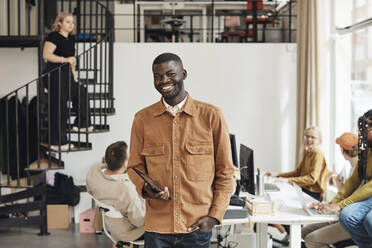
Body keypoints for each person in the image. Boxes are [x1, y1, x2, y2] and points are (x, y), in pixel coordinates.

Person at [127, 52, 234, 248]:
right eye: (157, 76)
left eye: (170, 74)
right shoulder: (142, 119)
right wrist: (146, 190)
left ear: (183, 74)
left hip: (196, 227)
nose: (164, 81)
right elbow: (134, 167)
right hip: (157, 228)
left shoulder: (211, 116)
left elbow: (226, 172)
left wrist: (215, 217)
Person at [42, 12, 92, 152]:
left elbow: (72, 62)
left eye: (73, 22)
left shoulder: (71, 39)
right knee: (59, 107)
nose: (71, 25)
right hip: (54, 73)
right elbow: (46, 55)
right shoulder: (53, 36)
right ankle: (57, 143)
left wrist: (75, 79)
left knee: (81, 91)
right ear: (59, 23)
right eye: (68, 22)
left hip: (67, 73)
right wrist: (65, 60)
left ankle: (82, 124)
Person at [301, 132, 358, 248]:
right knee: (304, 231)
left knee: (311, 239)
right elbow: (347, 197)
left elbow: (355, 201)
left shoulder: (360, 171)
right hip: (342, 214)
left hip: (352, 220)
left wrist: (334, 203)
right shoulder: (349, 169)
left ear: (342, 150)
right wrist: (328, 203)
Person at [86, 141, 145, 243]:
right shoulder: (125, 190)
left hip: (111, 226)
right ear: (125, 163)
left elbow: (90, 190)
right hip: (129, 233)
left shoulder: (93, 172)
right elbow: (139, 221)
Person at [337, 110, 372, 247]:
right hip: (368, 196)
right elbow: (355, 179)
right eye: (360, 129)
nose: (361, 132)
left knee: (368, 219)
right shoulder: (366, 149)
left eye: (366, 129)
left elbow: (369, 187)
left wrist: (340, 204)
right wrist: (334, 202)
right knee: (347, 215)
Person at [266, 126, 329, 202]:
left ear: (320, 141)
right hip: (304, 189)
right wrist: (277, 175)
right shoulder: (309, 152)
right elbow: (297, 172)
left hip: (313, 194)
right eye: (307, 136)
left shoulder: (318, 154)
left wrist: (287, 180)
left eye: (313, 137)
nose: (309, 139)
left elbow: (311, 179)